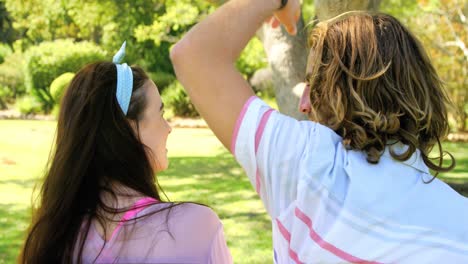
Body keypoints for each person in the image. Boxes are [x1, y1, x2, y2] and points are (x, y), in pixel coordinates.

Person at [171, 0, 468, 263]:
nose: (303, 103)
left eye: (315, 84)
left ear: (349, 91)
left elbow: (193, 55)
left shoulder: (308, 164)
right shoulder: (460, 222)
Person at [20, 42, 232, 264]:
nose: (168, 127)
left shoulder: (53, 237)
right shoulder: (196, 227)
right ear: (128, 126)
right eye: (160, 113)